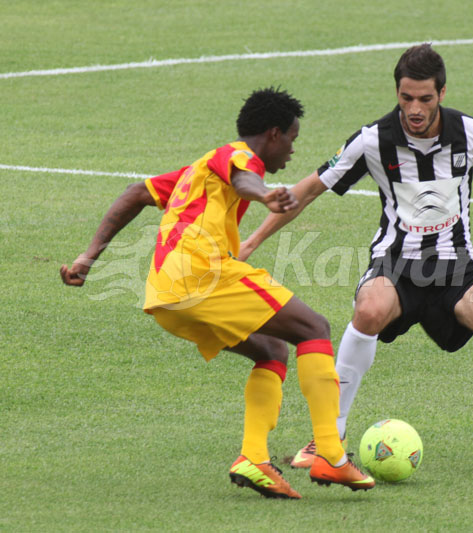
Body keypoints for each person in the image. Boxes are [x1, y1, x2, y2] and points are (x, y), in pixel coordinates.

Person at [239, 46, 473, 479]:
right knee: (368, 309)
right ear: (398, 92)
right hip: (395, 263)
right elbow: (309, 189)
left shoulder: (472, 133)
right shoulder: (374, 139)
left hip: (456, 264)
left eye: (425, 98)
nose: (415, 108)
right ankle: (328, 438)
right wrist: (252, 240)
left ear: (441, 92)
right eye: (406, 97)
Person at [60, 87, 375, 499]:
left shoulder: (199, 169)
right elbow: (245, 177)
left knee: (271, 351)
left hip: (165, 295)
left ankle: (254, 458)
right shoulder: (236, 156)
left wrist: (88, 256)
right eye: (293, 140)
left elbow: (136, 193)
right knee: (314, 327)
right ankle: (331, 456)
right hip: (202, 276)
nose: (292, 153)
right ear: (274, 133)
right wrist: (264, 193)